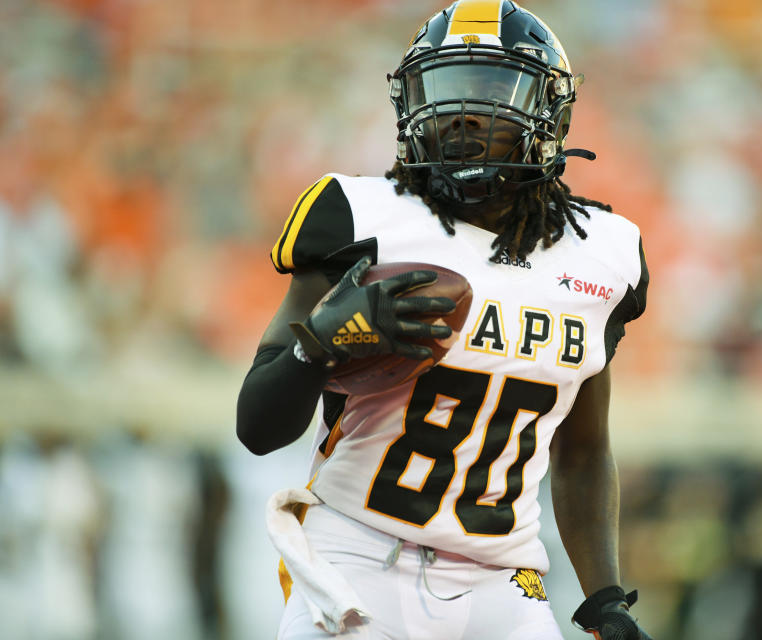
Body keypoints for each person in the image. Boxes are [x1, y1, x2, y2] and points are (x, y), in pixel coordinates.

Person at [236, 2, 651, 639]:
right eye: (443, 88)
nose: (460, 112)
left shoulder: (606, 254)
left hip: (505, 575)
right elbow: (257, 428)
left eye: (490, 90)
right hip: (359, 552)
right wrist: (319, 344)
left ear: (550, 115)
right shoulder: (362, 219)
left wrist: (604, 601)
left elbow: (584, 448)